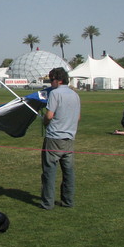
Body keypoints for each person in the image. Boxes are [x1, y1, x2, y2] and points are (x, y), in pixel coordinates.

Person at [41, 67, 81, 210]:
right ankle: (68, 201)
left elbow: (49, 115)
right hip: (69, 138)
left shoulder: (55, 94)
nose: (50, 83)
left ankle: (47, 203)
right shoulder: (75, 95)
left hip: (54, 138)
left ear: (59, 80)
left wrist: (44, 122)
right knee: (68, 171)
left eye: (51, 80)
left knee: (49, 171)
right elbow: (78, 117)